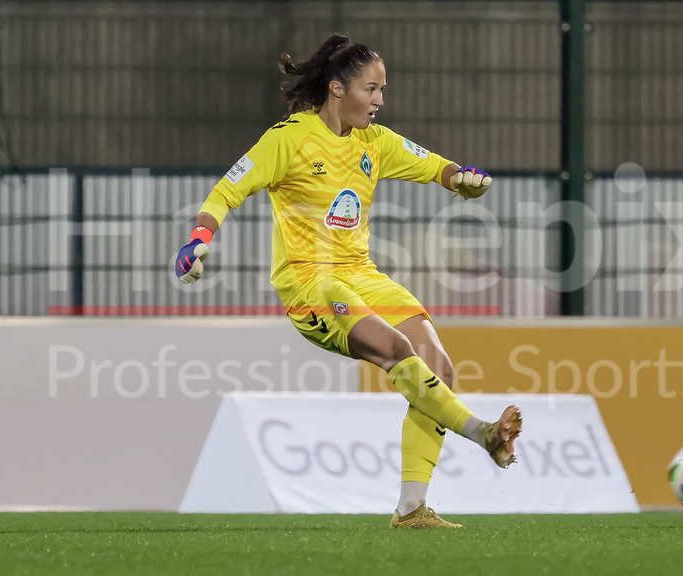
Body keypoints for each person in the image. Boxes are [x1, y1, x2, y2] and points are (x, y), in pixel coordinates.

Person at [173, 34, 522, 529]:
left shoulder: (372, 142)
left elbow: (436, 167)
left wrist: (461, 179)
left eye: (382, 90)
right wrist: (198, 238)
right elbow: (227, 190)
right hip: (311, 286)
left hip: (361, 276)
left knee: (438, 364)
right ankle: (483, 432)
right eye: (371, 89)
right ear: (337, 88)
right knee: (398, 348)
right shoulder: (287, 139)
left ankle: (410, 509)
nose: (380, 100)